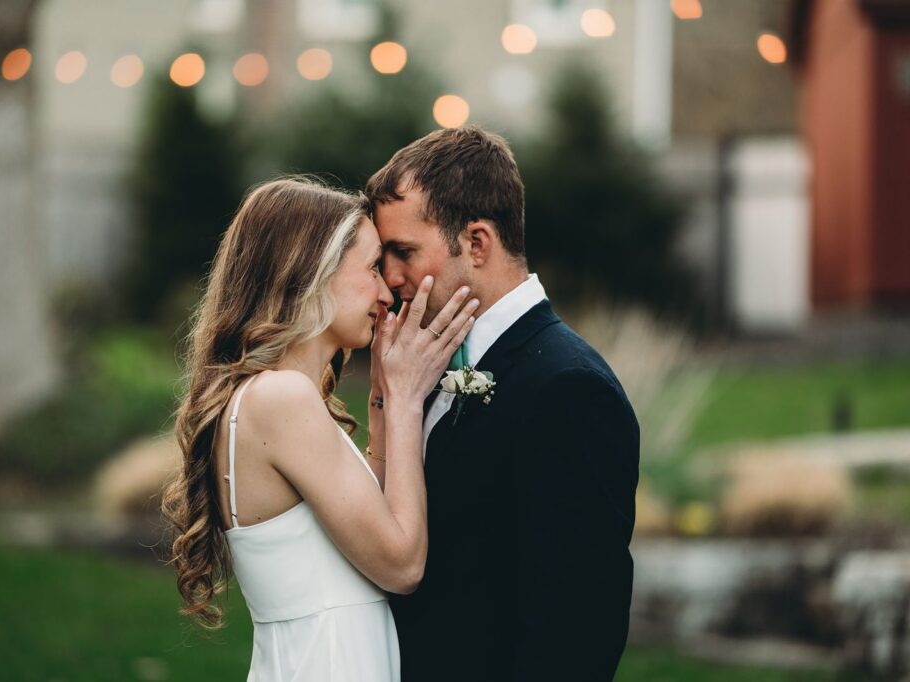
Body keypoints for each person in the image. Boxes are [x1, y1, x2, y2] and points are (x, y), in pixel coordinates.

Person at [162, 177, 476, 681]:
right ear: (311, 271)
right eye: (373, 267)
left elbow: (362, 528)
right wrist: (406, 404)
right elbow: (401, 564)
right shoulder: (279, 398)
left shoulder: (274, 396)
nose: (384, 291)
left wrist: (379, 404)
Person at [365, 126, 641, 681]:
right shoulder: (428, 361)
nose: (390, 277)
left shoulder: (568, 388)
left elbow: (576, 629)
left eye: (403, 252)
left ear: (476, 243)